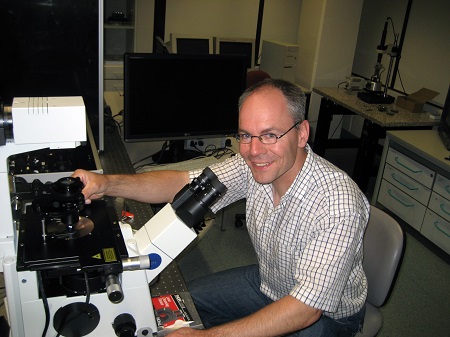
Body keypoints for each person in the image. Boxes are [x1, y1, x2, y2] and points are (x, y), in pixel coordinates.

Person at [73, 79, 369, 336]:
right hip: (270, 283)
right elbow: (182, 183)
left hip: (326, 316)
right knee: (183, 305)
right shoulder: (254, 164)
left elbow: (305, 310)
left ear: (302, 134)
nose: (254, 150)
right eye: (245, 135)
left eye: (269, 135)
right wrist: (106, 183)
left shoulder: (337, 203)